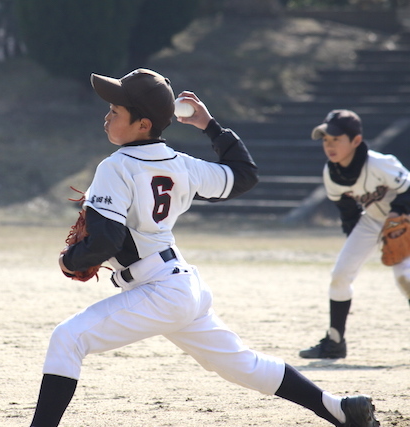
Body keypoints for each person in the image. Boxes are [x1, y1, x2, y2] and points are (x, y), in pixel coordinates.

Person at [29, 69, 379, 427]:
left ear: (143, 123)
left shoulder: (115, 167)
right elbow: (244, 174)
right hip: (182, 286)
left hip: (158, 290)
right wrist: (209, 125)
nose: (107, 115)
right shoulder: (183, 165)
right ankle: (340, 409)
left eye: (116, 111)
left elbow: (107, 241)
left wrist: (70, 261)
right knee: (243, 364)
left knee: (67, 338)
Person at [299, 109, 410, 359]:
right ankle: (335, 342)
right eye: (326, 140)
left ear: (356, 141)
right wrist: (358, 243)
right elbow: (348, 213)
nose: (330, 145)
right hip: (371, 222)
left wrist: (397, 213)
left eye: (336, 139)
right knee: (340, 275)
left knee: (405, 278)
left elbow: (407, 190)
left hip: (405, 219)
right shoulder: (333, 173)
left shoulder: (381, 164)